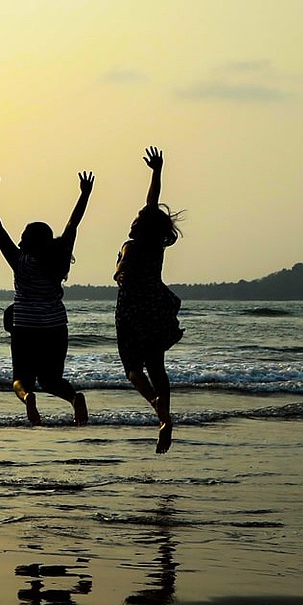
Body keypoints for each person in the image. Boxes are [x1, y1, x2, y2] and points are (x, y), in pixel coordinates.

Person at [0, 170, 94, 426]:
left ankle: (28, 397)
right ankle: (74, 398)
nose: (19, 240)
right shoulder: (59, 258)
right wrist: (84, 194)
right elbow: (72, 225)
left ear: (28, 242)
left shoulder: (19, 261)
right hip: (55, 326)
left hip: (24, 327)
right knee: (51, 379)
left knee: (20, 379)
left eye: (23, 236)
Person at [115, 146, 183, 453]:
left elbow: (121, 273)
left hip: (132, 307)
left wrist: (119, 270)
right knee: (157, 366)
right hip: (156, 303)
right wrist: (157, 172)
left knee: (132, 367)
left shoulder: (132, 246)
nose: (133, 219)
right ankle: (164, 422)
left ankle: (157, 407)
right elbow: (152, 203)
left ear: (139, 226)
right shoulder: (156, 245)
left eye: (137, 218)